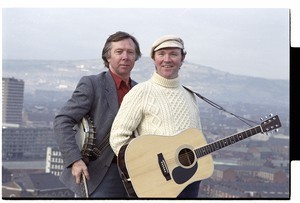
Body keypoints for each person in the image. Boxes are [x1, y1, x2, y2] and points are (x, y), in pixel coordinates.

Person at [110, 34, 204, 198]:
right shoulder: (141, 92)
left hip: (190, 181)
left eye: (173, 54)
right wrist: (145, 168)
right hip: (156, 184)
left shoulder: (190, 96)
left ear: (182, 58)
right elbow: (118, 137)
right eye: (161, 54)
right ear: (154, 58)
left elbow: (196, 140)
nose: (167, 59)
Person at [53, 31, 142, 198]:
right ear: (108, 57)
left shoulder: (140, 90)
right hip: (100, 173)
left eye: (130, 52)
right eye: (119, 52)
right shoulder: (92, 84)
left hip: (135, 174)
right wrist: (75, 160)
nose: (125, 56)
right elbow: (62, 121)